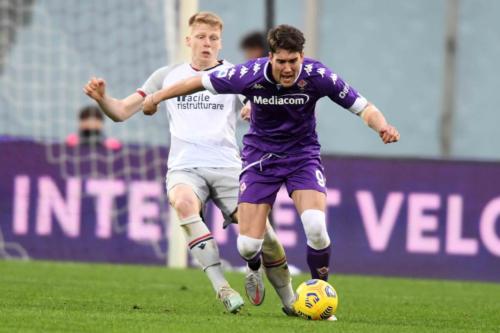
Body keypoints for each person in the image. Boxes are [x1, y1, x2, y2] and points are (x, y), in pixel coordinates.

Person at [142, 24, 400, 317]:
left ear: (302, 57)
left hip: (302, 157)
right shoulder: (248, 73)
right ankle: (254, 268)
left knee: (316, 228)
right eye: (281, 62)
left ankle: (320, 301)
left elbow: (363, 107)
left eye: (294, 61)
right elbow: (197, 81)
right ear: (271, 58)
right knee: (248, 246)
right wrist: (155, 97)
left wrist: (383, 127)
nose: (288, 69)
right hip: (259, 160)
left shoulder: (319, 76)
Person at [83, 13, 295, 314]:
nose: (206, 43)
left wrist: (252, 108)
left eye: (213, 38)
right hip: (184, 167)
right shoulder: (166, 76)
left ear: (220, 43)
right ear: (189, 40)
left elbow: (256, 103)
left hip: (228, 167)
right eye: (201, 37)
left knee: (265, 237)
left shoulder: (236, 75)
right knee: (183, 204)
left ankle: (289, 300)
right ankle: (222, 287)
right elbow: (120, 112)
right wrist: (103, 99)